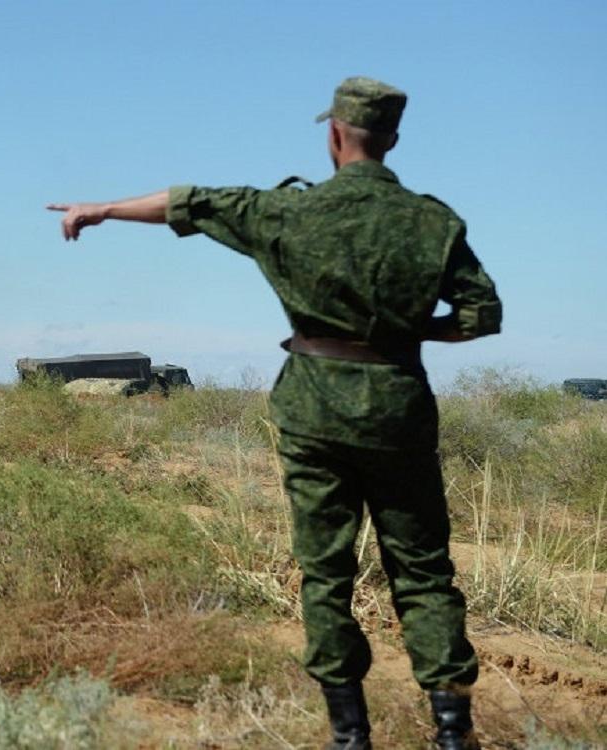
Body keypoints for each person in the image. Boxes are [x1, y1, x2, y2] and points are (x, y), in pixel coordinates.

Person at [48, 77, 501, 750]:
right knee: (425, 572)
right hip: (397, 410)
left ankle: (350, 737)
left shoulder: (287, 214)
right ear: (393, 139)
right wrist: (405, 334)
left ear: (335, 135)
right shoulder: (432, 222)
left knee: (326, 571)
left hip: (314, 411)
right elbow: (481, 316)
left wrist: (104, 209)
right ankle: (452, 732)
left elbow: (189, 202)